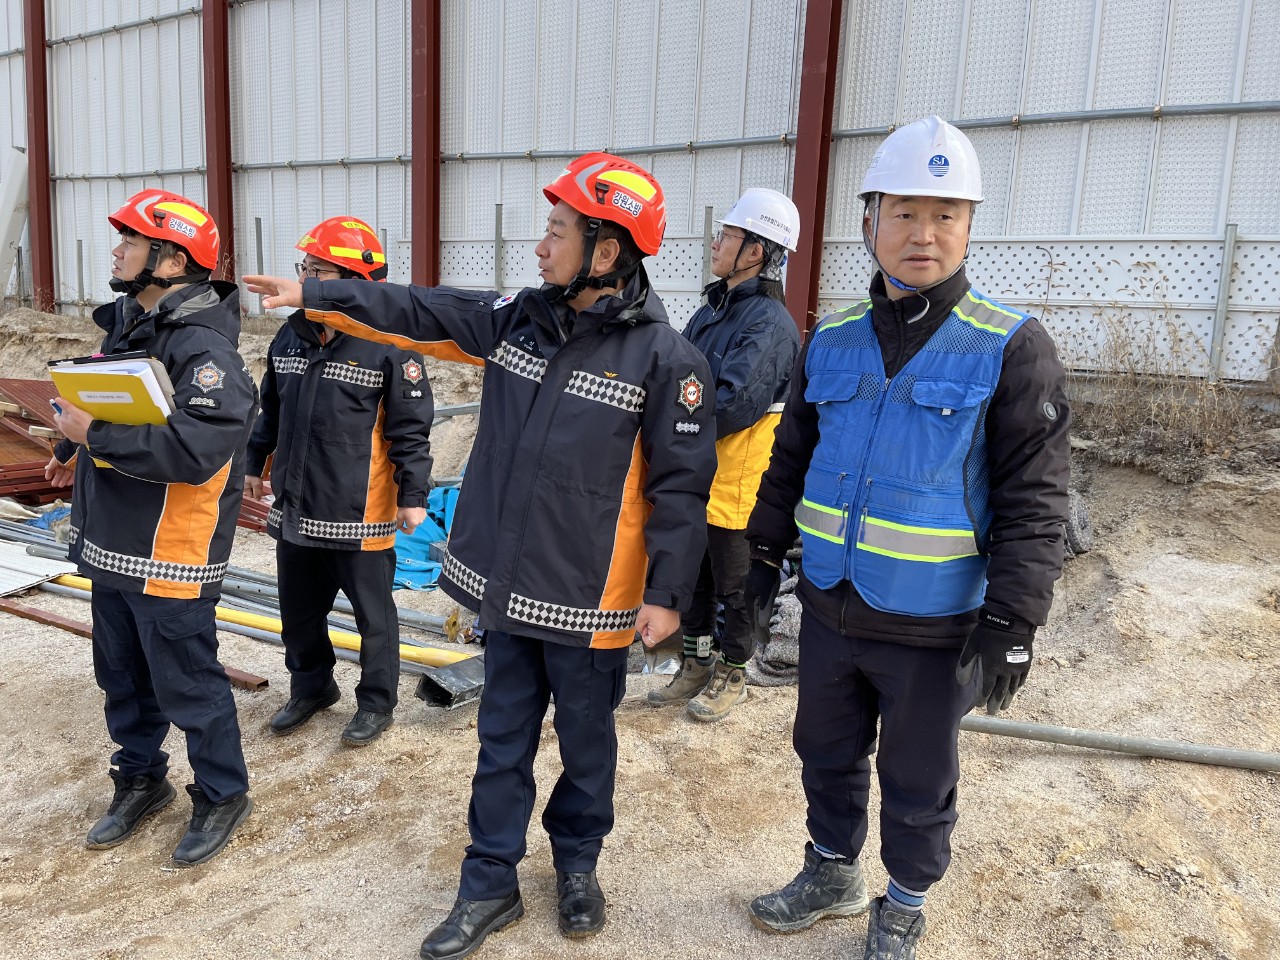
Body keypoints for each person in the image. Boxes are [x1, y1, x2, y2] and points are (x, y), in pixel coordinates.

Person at [245, 151, 717, 958]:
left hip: (593, 601)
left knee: (587, 744)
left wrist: (667, 594)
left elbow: (682, 490)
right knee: (501, 742)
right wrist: (319, 294)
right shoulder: (518, 321)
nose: (540, 245)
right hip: (509, 589)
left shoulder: (668, 362)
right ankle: (489, 881)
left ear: (605, 250)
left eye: (556, 231)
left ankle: (577, 864)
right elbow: (421, 310)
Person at [742, 116, 1070, 959]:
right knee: (824, 748)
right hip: (830, 607)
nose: (925, 234)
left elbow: (1036, 501)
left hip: (934, 626)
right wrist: (758, 564)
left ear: (969, 226)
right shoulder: (832, 338)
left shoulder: (1010, 347)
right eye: (905, 214)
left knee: (918, 777)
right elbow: (788, 463)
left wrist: (1013, 622)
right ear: (869, 222)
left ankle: (904, 902)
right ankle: (832, 871)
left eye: (945, 215)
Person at [45, 189, 258, 867]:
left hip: (171, 547)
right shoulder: (132, 326)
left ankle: (222, 793)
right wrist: (70, 445)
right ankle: (141, 778)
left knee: (187, 681)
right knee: (123, 675)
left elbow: (196, 450)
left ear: (171, 260)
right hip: (114, 539)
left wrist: (97, 436)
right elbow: (110, 402)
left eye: (130, 242)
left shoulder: (204, 350)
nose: (116, 252)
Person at [244, 216, 434, 746]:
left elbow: (410, 430)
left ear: (355, 281)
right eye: (304, 268)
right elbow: (270, 411)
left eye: (318, 271)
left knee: (374, 617)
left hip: (359, 510)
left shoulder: (391, 344)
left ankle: (376, 703)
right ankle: (312, 688)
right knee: (298, 613)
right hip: (296, 505)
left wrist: (413, 495)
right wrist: (253, 464)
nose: (305, 278)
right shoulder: (291, 335)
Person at [646, 187, 801, 721]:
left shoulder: (769, 324)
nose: (716, 243)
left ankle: (733, 672)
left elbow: (734, 405)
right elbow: (676, 375)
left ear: (756, 251)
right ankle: (695, 664)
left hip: (738, 481)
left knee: (735, 587)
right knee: (692, 578)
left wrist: (671, 423)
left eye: (727, 236)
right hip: (699, 470)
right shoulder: (713, 310)